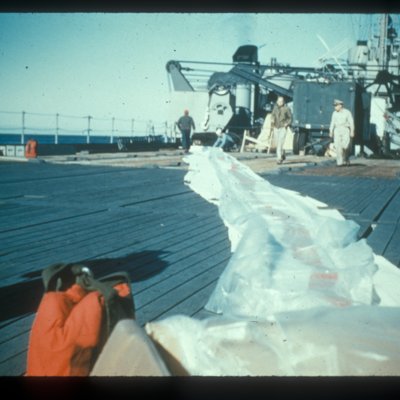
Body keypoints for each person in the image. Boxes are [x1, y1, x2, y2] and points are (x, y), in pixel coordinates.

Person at [329, 99, 354, 167]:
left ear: (340, 105)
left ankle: (346, 158)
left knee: (345, 146)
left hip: (345, 129)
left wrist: (352, 131)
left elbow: (351, 122)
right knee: (338, 147)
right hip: (337, 130)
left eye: (336, 105)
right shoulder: (334, 113)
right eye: (334, 106)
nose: (335, 107)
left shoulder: (347, 112)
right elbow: (332, 123)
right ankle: (339, 162)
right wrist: (331, 131)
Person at [271, 96, 292, 164]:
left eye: (281, 101)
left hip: (283, 127)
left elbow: (290, 118)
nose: (280, 102)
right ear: (277, 102)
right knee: (278, 143)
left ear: (283, 102)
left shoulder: (286, 109)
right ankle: (283, 154)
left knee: (280, 143)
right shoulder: (275, 108)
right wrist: (272, 119)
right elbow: (273, 115)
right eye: (279, 101)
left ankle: (279, 159)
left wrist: (287, 123)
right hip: (276, 127)